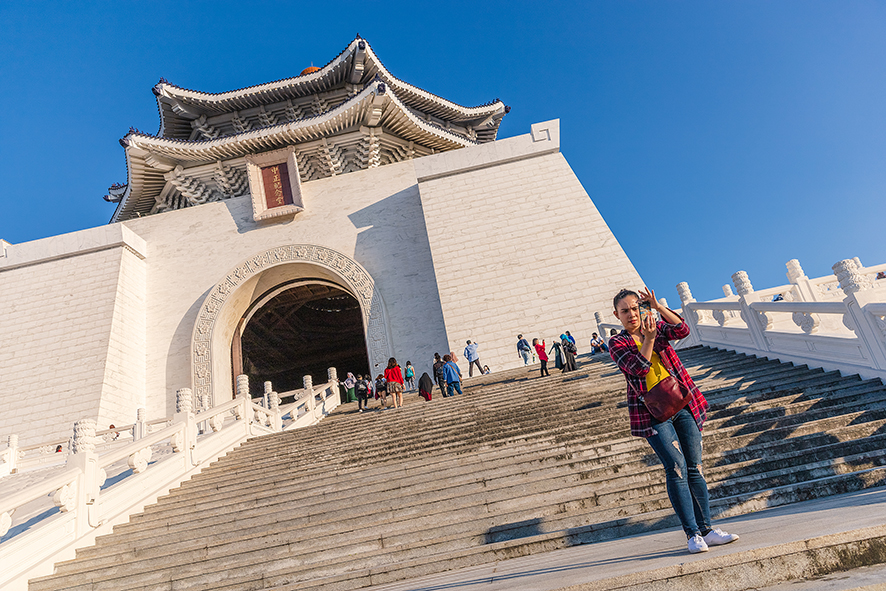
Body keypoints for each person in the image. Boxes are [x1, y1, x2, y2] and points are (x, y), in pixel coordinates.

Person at [609, 287, 739, 554]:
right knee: (676, 467)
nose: (632, 314)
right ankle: (693, 534)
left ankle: (707, 530)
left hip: (682, 403)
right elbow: (638, 368)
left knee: (695, 467)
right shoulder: (618, 343)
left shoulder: (655, 326)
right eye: (625, 311)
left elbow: (682, 331)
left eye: (636, 308)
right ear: (616, 315)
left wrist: (658, 308)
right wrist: (648, 339)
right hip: (653, 413)